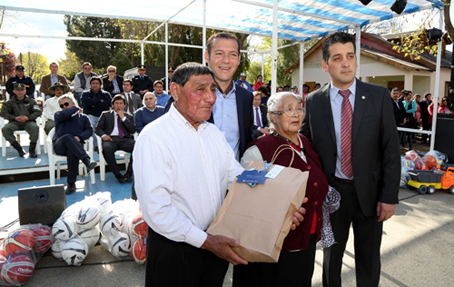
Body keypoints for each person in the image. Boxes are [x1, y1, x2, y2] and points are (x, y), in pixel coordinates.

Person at [133, 63, 305, 287]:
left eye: (212, 89)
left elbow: (237, 176)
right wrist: (206, 241)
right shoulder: (154, 137)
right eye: (200, 89)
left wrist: (282, 201)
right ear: (175, 91)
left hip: (215, 244)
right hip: (175, 249)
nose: (211, 98)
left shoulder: (212, 133)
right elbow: (157, 211)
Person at [300, 32, 400, 287]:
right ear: (325, 65)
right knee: (331, 259)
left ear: (356, 61)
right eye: (337, 58)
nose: (345, 63)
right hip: (333, 196)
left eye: (350, 56)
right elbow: (306, 147)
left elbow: (390, 149)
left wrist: (389, 196)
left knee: (368, 259)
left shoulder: (378, 96)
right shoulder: (313, 101)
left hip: (371, 194)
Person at [235, 92, 330, 287]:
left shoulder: (306, 143)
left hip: (306, 240)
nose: (296, 114)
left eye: (299, 108)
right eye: (288, 109)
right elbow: (244, 200)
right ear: (272, 116)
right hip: (271, 247)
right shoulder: (260, 150)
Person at [162, 32, 254, 160]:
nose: (226, 60)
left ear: (238, 59)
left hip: (234, 175)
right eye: (219, 53)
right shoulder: (184, 96)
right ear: (207, 57)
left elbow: (247, 139)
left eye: (232, 54)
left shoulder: (246, 97)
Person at [53, 95, 97, 194]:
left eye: (66, 104)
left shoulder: (83, 117)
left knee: (72, 152)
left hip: (75, 146)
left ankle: (71, 184)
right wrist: (76, 108)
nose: (64, 107)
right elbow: (66, 113)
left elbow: (89, 130)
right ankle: (86, 160)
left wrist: (80, 137)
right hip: (60, 145)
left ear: (72, 103)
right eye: (61, 105)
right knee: (68, 137)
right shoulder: (58, 115)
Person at [95, 95, 135, 183]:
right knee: (106, 149)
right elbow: (98, 129)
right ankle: (118, 174)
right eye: (116, 103)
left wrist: (123, 118)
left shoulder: (129, 116)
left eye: (121, 103)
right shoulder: (105, 114)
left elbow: (132, 130)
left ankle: (129, 173)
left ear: (124, 105)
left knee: (138, 146)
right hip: (110, 139)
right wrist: (103, 135)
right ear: (112, 105)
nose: (119, 105)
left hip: (125, 140)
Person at [1, 83, 42, 157]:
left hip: (28, 122)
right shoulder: (9, 102)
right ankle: (19, 149)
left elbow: (38, 112)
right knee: (5, 129)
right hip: (15, 122)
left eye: (21, 90)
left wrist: (28, 117)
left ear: (25, 91)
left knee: (35, 128)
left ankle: (32, 149)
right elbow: (3, 113)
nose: (20, 92)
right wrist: (14, 118)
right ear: (14, 91)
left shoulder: (31, 101)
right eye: (17, 90)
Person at [81, 77, 112, 146]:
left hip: (103, 116)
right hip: (90, 115)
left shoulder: (106, 94)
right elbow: (86, 103)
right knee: (90, 123)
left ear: (100, 85)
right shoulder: (85, 94)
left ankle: (105, 143)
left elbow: (107, 104)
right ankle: (96, 145)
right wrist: (99, 101)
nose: (95, 85)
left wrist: (93, 104)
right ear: (90, 85)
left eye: (97, 83)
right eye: (93, 83)